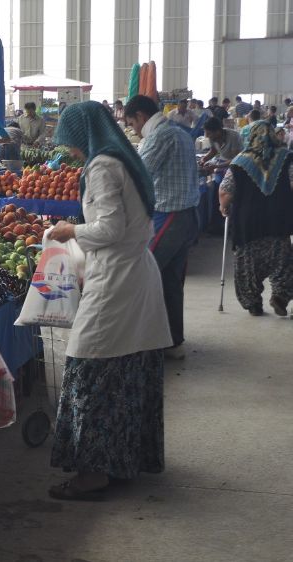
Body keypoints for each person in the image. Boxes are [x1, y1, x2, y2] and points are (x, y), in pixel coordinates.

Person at [46, 101, 172, 500]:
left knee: (88, 366)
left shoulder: (101, 165)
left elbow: (110, 227)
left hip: (118, 278)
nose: (71, 152)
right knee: (126, 368)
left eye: (71, 142)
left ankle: (93, 474)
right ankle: (124, 458)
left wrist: (71, 230)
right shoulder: (122, 156)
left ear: (84, 133)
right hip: (135, 271)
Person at [124, 95, 200, 360]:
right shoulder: (180, 133)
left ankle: (140, 344)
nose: (133, 129)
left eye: (132, 123)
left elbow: (139, 176)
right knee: (169, 280)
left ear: (141, 116)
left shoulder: (159, 137)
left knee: (141, 275)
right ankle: (172, 341)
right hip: (187, 216)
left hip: (169, 216)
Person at [218, 121, 293, 316]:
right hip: (279, 222)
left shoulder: (240, 161)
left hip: (247, 224)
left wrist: (223, 207)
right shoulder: (287, 158)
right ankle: (280, 296)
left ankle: (253, 303)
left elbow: (225, 191)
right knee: (283, 262)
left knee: (247, 265)